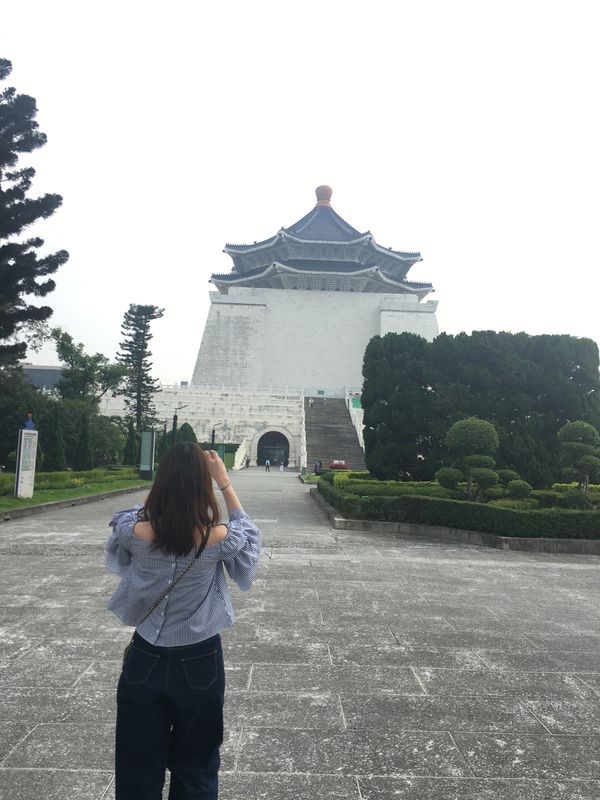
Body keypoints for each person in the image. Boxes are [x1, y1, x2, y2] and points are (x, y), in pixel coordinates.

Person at [105, 443, 261, 800]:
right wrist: (223, 483)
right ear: (200, 487)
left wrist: (164, 487)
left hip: (145, 658)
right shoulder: (219, 539)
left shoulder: (134, 532)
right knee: (197, 766)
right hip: (200, 661)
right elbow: (248, 533)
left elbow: (129, 513)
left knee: (137, 770)